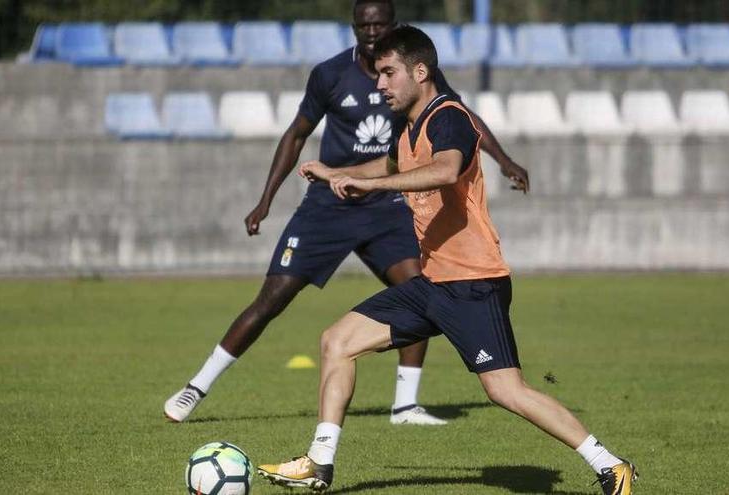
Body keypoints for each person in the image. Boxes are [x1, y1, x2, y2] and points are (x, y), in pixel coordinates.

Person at [256, 25, 637, 495]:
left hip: (474, 284)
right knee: (337, 341)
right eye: (377, 75)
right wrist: (339, 173)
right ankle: (319, 462)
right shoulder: (410, 126)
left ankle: (610, 464)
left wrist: (370, 188)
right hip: (434, 283)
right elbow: (394, 165)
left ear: (421, 71)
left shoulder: (449, 117)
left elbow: (445, 169)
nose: (380, 84)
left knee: (505, 391)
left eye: (389, 73)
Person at [164, 0, 529, 426]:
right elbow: (296, 134)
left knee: (420, 286)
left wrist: (503, 160)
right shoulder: (330, 74)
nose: (372, 32)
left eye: (380, 24)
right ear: (353, 28)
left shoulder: (411, 70)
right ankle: (197, 386)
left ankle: (405, 404)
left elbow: (461, 120)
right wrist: (266, 199)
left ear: (393, 27)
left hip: (389, 204)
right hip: (329, 205)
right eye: (364, 25)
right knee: (272, 298)